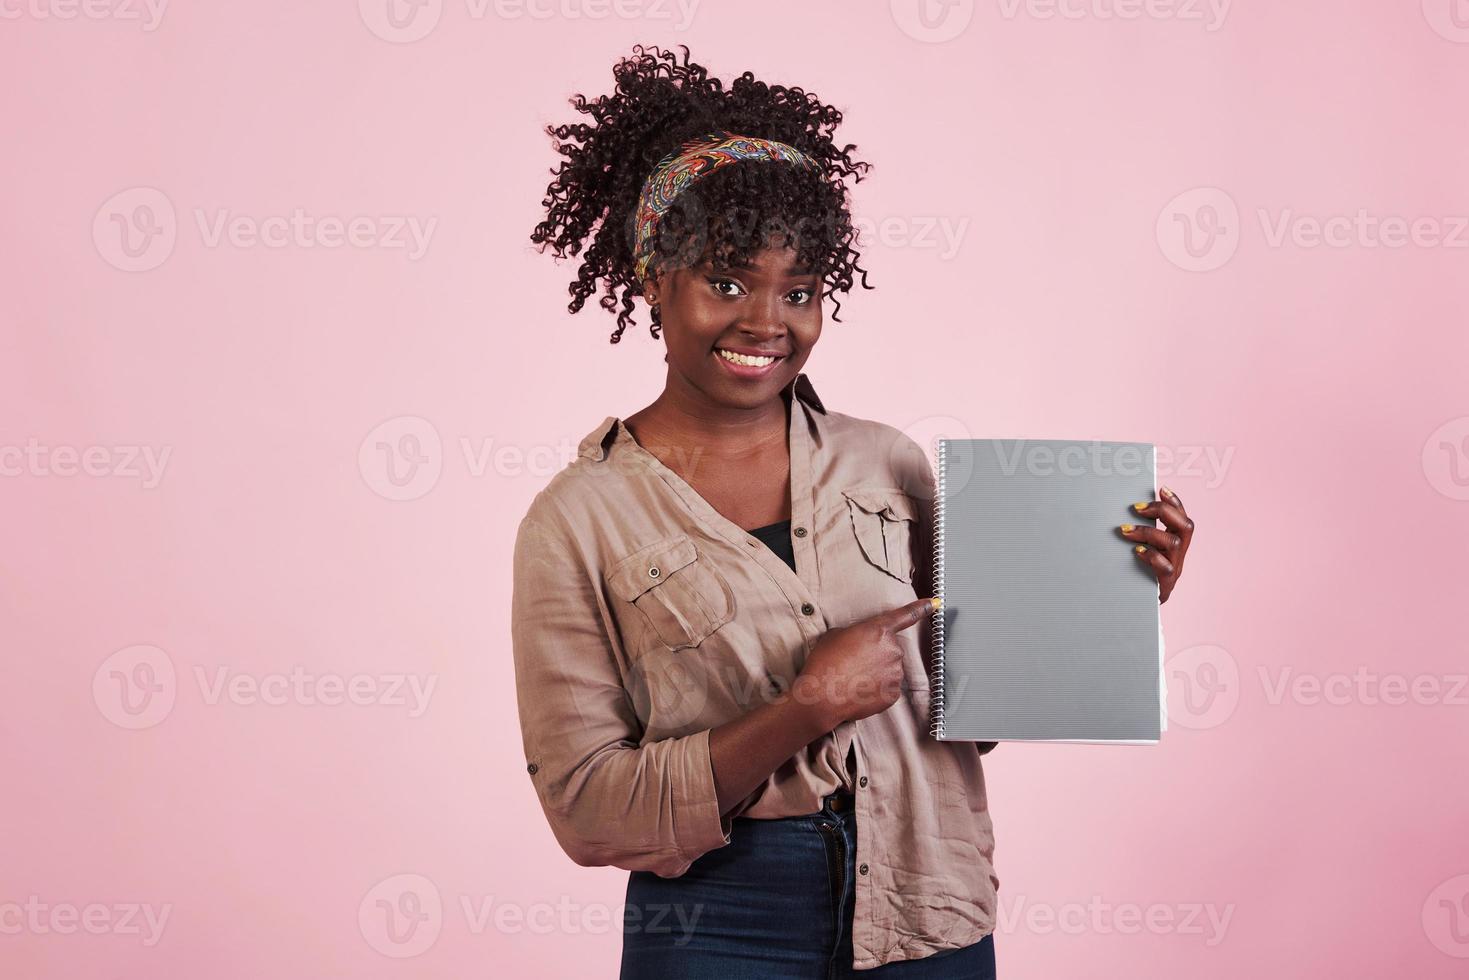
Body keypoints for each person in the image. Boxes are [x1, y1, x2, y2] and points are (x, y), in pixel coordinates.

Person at [514, 44, 1196, 979]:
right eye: (726, 282)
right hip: (717, 919)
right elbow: (587, 809)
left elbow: (966, 706)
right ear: (651, 281)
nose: (767, 321)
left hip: (926, 895)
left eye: (798, 291)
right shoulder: (578, 520)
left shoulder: (888, 465)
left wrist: (1109, 598)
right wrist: (802, 709)